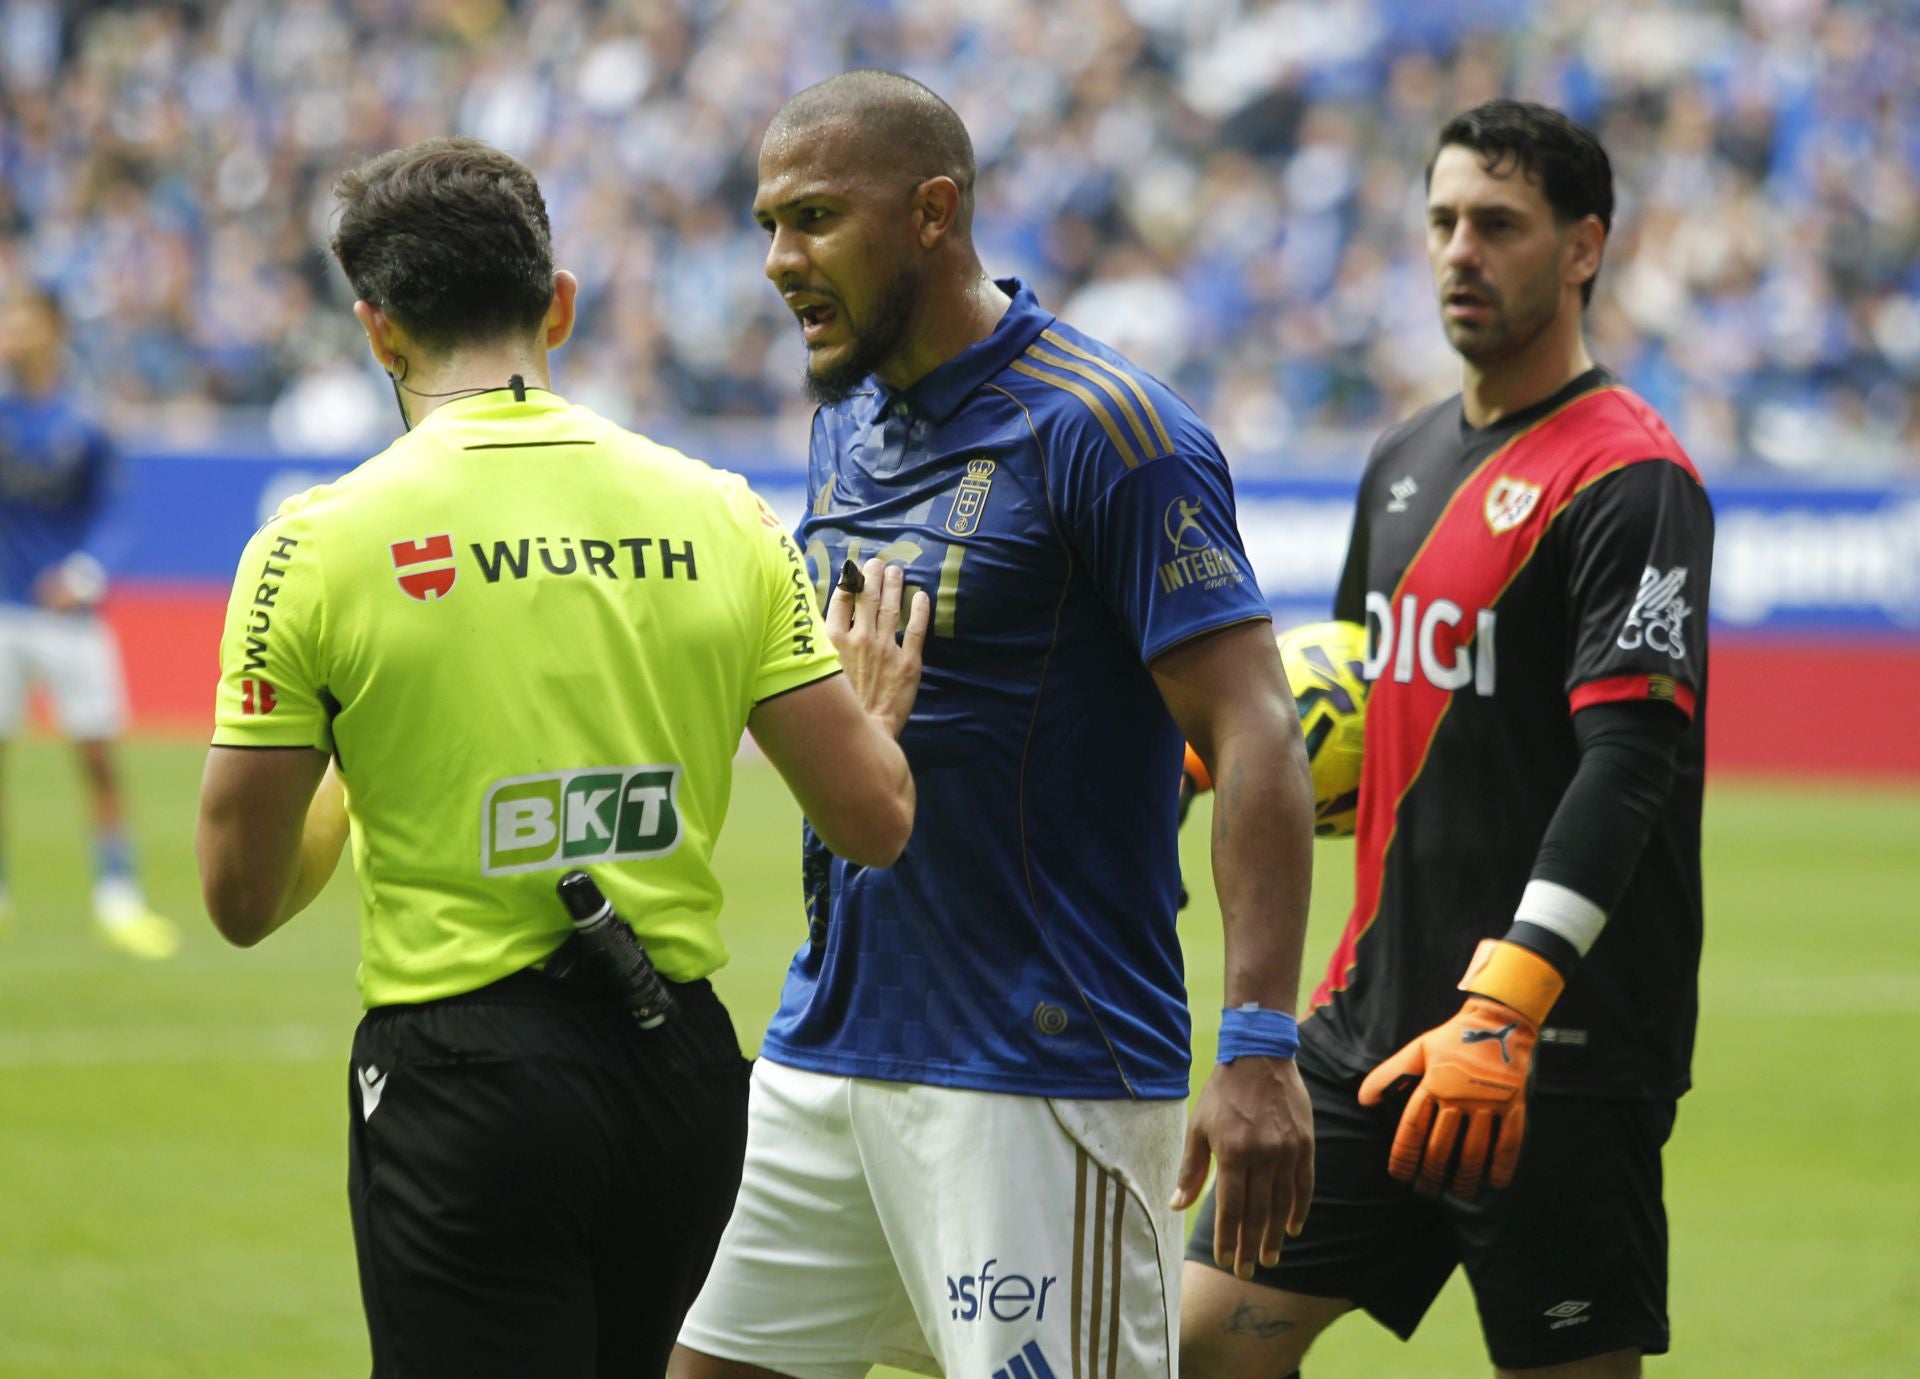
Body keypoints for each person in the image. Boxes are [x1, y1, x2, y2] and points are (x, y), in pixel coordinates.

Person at [194, 136, 922, 1379]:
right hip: (685, 1079)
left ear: (378, 330)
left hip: (466, 1083)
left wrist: (365, 779)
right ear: (561, 304)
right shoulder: (724, 511)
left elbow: (242, 897)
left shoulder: (310, 545)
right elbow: (873, 821)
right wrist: (874, 720)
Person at [673, 71, 1318, 1379]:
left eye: (813, 219)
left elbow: (1253, 730)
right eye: (766, 225)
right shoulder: (842, 426)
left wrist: (1257, 1042)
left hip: (1039, 1071)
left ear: (932, 212)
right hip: (829, 1044)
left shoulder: (1111, 429)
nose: (780, 261)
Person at [1179, 100, 1713, 1379]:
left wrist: (1513, 1005)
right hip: (1370, 1031)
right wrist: (1236, 763)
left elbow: (1630, 762)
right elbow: (1373, 715)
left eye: (1499, 225)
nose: (1460, 252)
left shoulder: (1632, 480)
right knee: (1194, 1348)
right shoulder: (1405, 459)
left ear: (1584, 247)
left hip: (1551, 1055)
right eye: (1441, 222)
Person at [0, 285, 179, 959]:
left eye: (23, 320)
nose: (11, 332)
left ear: (54, 329)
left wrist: (84, 573)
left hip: (69, 619)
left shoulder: (87, 420)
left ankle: (118, 894)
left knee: (98, 757)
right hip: (3, 611)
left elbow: (117, 517)